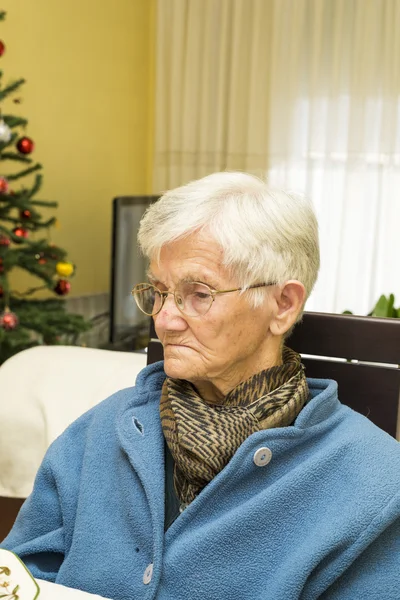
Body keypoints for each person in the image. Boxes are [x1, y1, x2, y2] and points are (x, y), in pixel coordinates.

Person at [1, 172, 399, 600]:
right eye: (158, 291)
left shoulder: (376, 484)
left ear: (283, 304)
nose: (163, 320)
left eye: (198, 293)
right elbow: (20, 575)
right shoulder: (99, 430)